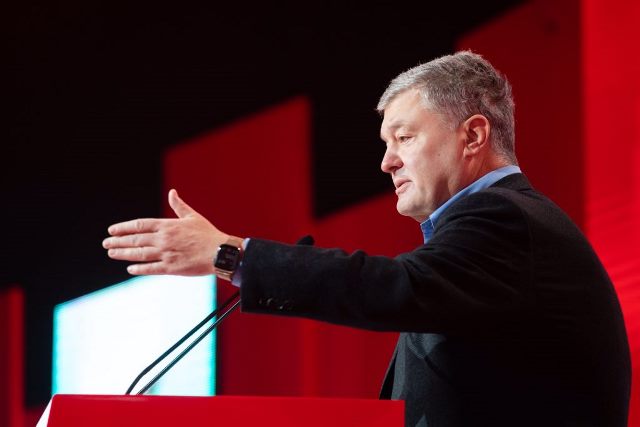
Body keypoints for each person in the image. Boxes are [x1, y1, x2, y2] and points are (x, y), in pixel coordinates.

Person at [102, 51, 631, 426]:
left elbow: (390, 286)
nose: (387, 162)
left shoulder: (506, 219)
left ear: (473, 135)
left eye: (405, 137)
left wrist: (231, 254)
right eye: (386, 142)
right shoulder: (489, 236)